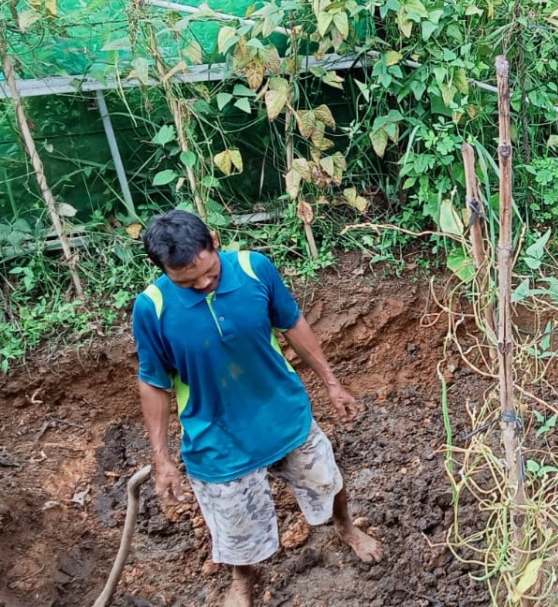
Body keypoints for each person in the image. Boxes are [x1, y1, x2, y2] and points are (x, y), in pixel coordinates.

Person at [132, 209, 382, 606]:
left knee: (327, 480)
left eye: (209, 273)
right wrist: (162, 459)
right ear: (163, 269)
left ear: (214, 241)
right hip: (216, 436)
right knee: (234, 524)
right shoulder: (153, 307)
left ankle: (346, 528)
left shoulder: (254, 268)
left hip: (280, 413)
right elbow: (154, 382)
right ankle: (243, 580)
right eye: (188, 282)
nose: (203, 284)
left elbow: (293, 323)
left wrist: (333, 384)